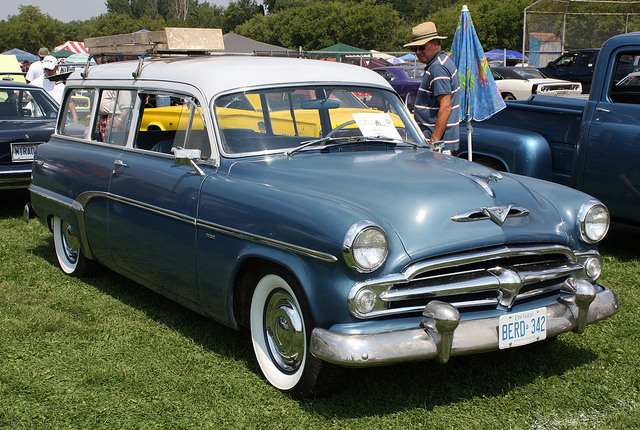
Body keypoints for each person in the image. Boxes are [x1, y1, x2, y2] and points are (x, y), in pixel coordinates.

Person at [405, 21, 460, 155]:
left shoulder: (438, 68)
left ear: (435, 44)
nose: (418, 52)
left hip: (438, 143)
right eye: (415, 49)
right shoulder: (440, 63)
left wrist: (433, 143)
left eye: (422, 47)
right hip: (441, 141)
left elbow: (446, 107)